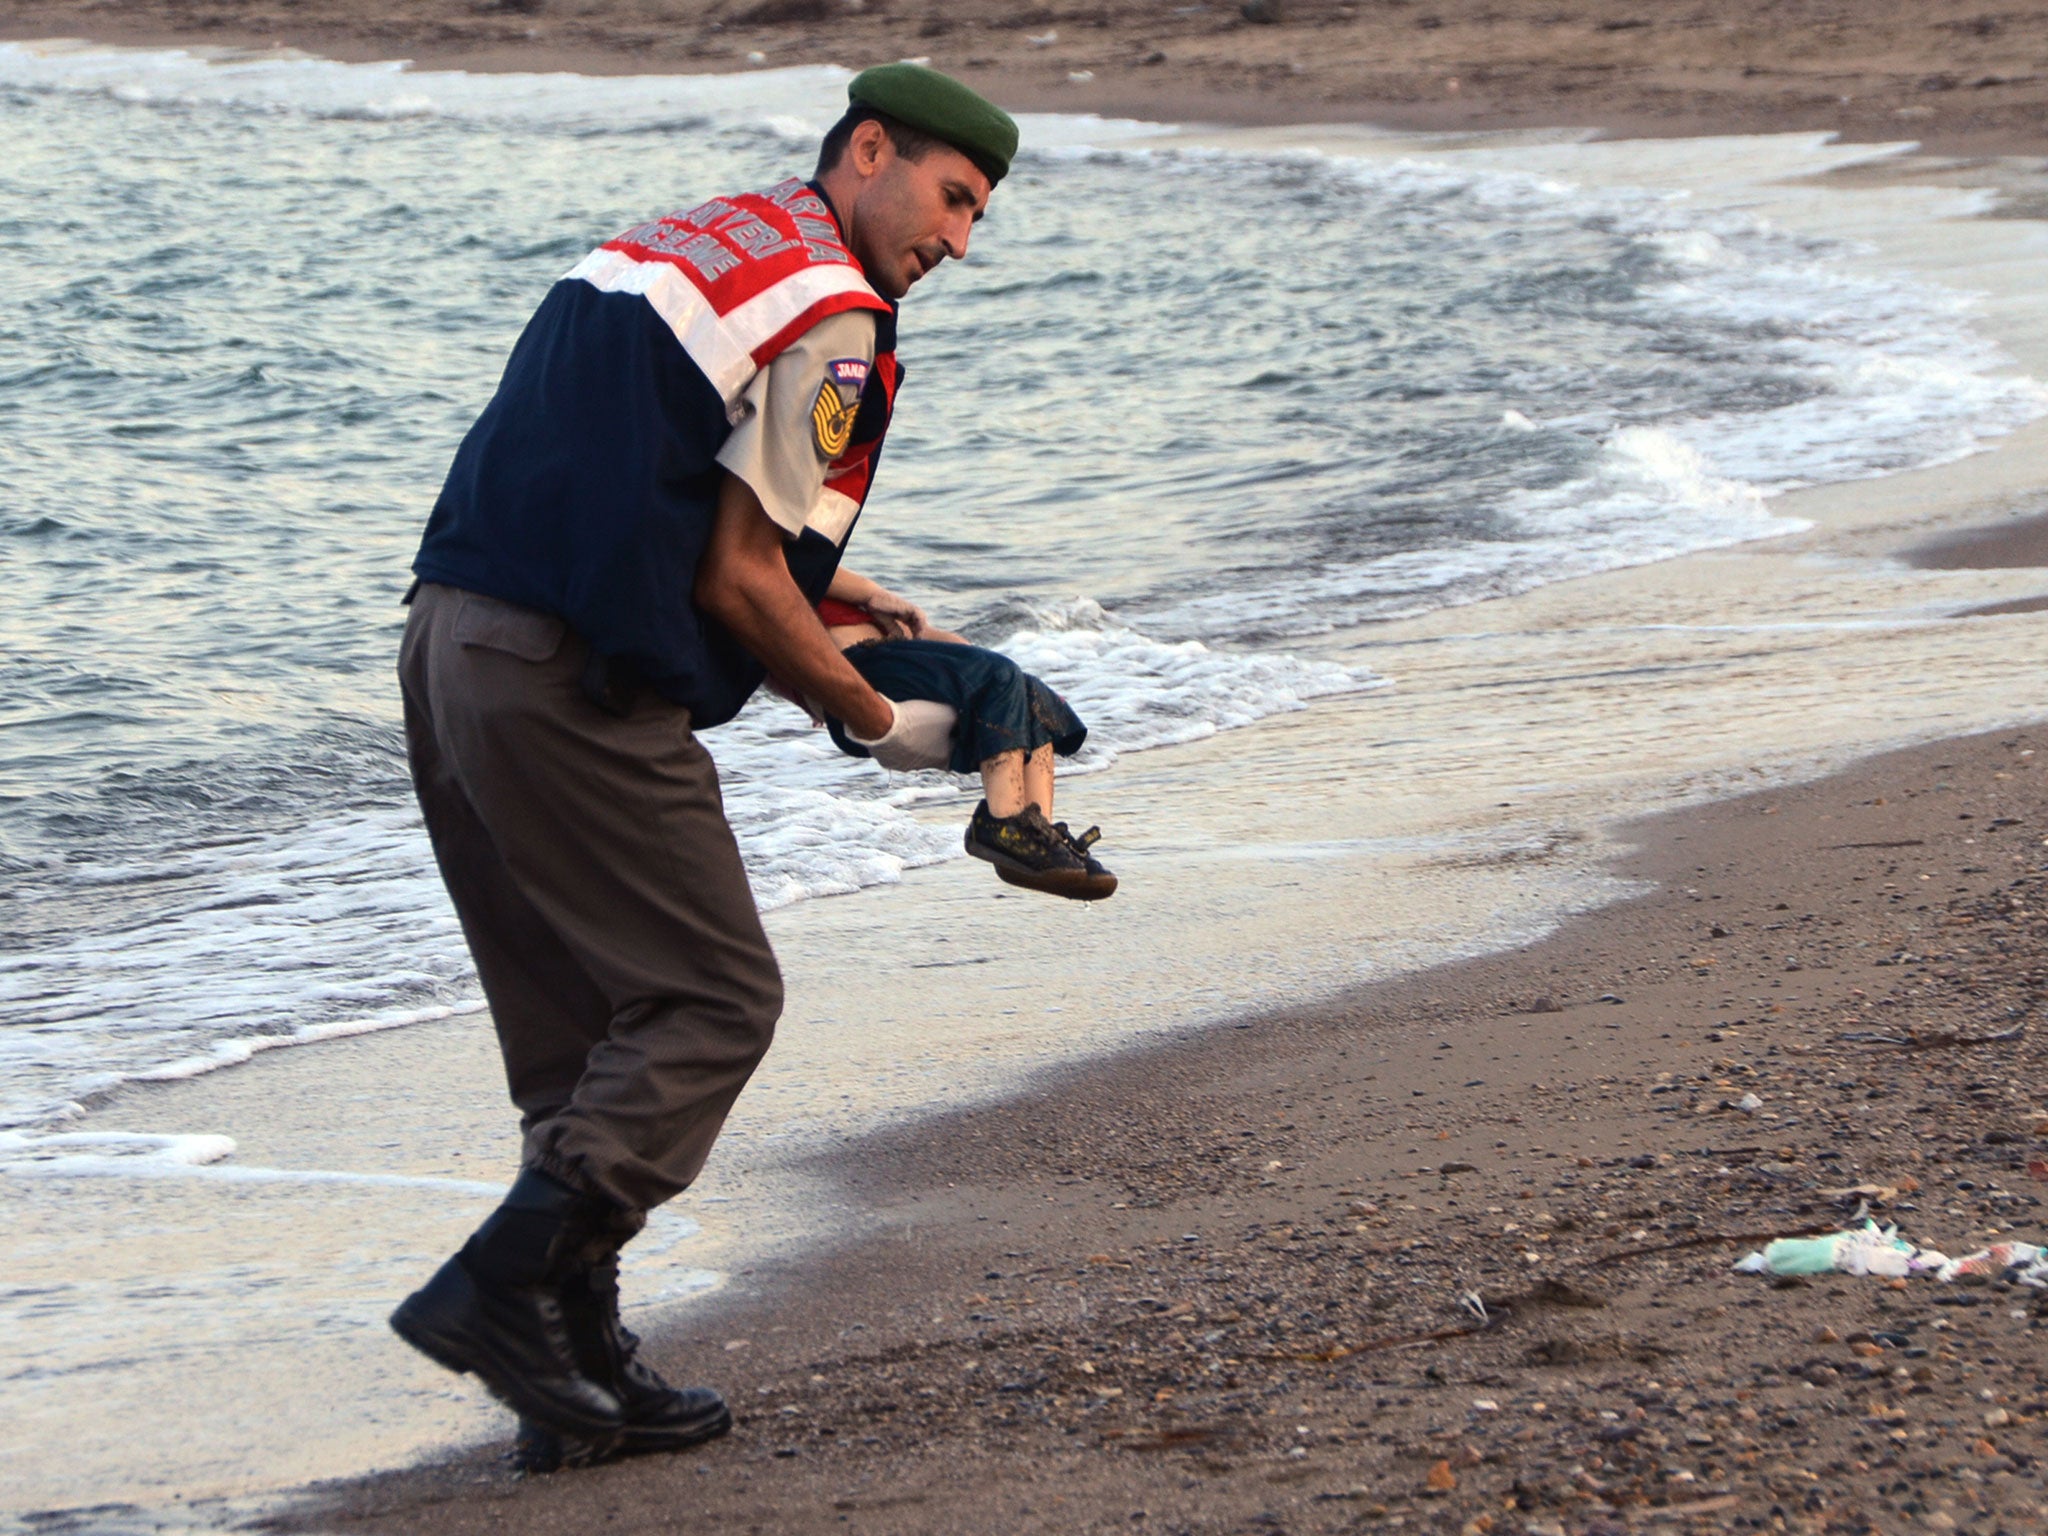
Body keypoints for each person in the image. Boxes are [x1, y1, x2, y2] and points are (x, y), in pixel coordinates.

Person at [387, 64, 1023, 1471]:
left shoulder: (695, 236)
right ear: (870, 149)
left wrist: (846, 599)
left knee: (577, 1035)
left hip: (450, 643)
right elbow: (739, 583)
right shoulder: (840, 319)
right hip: (568, 679)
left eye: (980, 217)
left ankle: (571, 1380)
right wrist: (869, 715)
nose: (959, 244)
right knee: (711, 999)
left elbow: (635, 473)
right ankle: (497, 1290)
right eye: (953, 198)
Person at [809, 567, 1116, 899]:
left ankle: (1036, 835)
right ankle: (1003, 824)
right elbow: (805, 564)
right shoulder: (801, 575)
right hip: (857, 665)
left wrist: (968, 660)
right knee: (1001, 675)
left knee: (1028, 693)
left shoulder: (862, 606)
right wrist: (872, 593)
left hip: (895, 661)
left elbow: (941, 644)